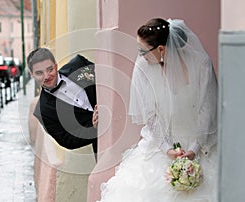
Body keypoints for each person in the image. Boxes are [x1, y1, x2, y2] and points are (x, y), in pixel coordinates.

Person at [99, 18, 218, 202]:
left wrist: (194, 148)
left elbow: (206, 109)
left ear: (161, 49)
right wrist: (167, 148)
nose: (139, 55)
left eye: (142, 50)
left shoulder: (201, 64)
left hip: (200, 144)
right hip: (161, 144)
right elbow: (150, 115)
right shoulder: (142, 67)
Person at [27, 48, 98, 158]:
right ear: (32, 75)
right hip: (101, 147)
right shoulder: (42, 111)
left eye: (50, 69)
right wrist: (92, 128)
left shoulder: (79, 64)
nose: (46, 76)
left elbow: (106, 78)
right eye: (39, 73)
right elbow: (67, 140)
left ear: (55, 66)